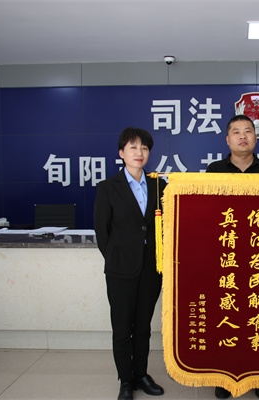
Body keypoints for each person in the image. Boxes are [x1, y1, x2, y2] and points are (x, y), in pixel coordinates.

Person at [206, 114, 259, 399]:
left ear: (256, 138)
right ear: (228, 139)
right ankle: (223, 376)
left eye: (248, 131)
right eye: (236, 132)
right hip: (225, 258)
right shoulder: (214, 171)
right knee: (225, 315)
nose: (243, 136)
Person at [94, 127, 167, 400]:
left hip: (151, 268)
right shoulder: (108, 188)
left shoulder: (159, 185)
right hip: (121, 269)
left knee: (143, 326)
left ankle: (141, 375)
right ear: (121, 153)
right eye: (133, 147)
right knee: (123, 328)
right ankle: (126, 380)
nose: (139, 153)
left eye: (144, 148)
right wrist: (116, 258)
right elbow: (103, 232)